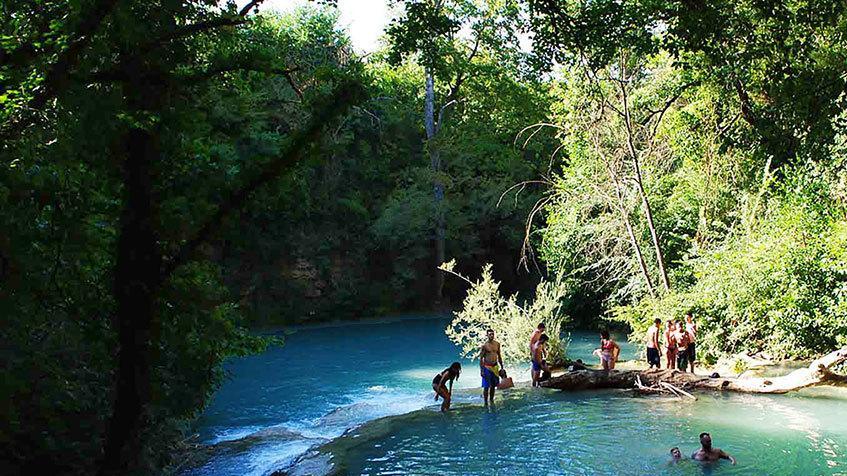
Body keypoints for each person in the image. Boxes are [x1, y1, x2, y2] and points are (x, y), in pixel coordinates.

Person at [479, 329, 504, 405]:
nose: (492, 335)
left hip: (495, 366)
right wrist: (482, 370)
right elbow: (481, 358)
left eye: (493, 334)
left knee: (493, 385)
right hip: (487, 366)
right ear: (487, 335)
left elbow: (499, 355)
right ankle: (486, 402)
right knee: (486, 386)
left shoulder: (497, 344)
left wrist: (502, 367)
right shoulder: (485, 346)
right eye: (490, 334)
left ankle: (491, 400)